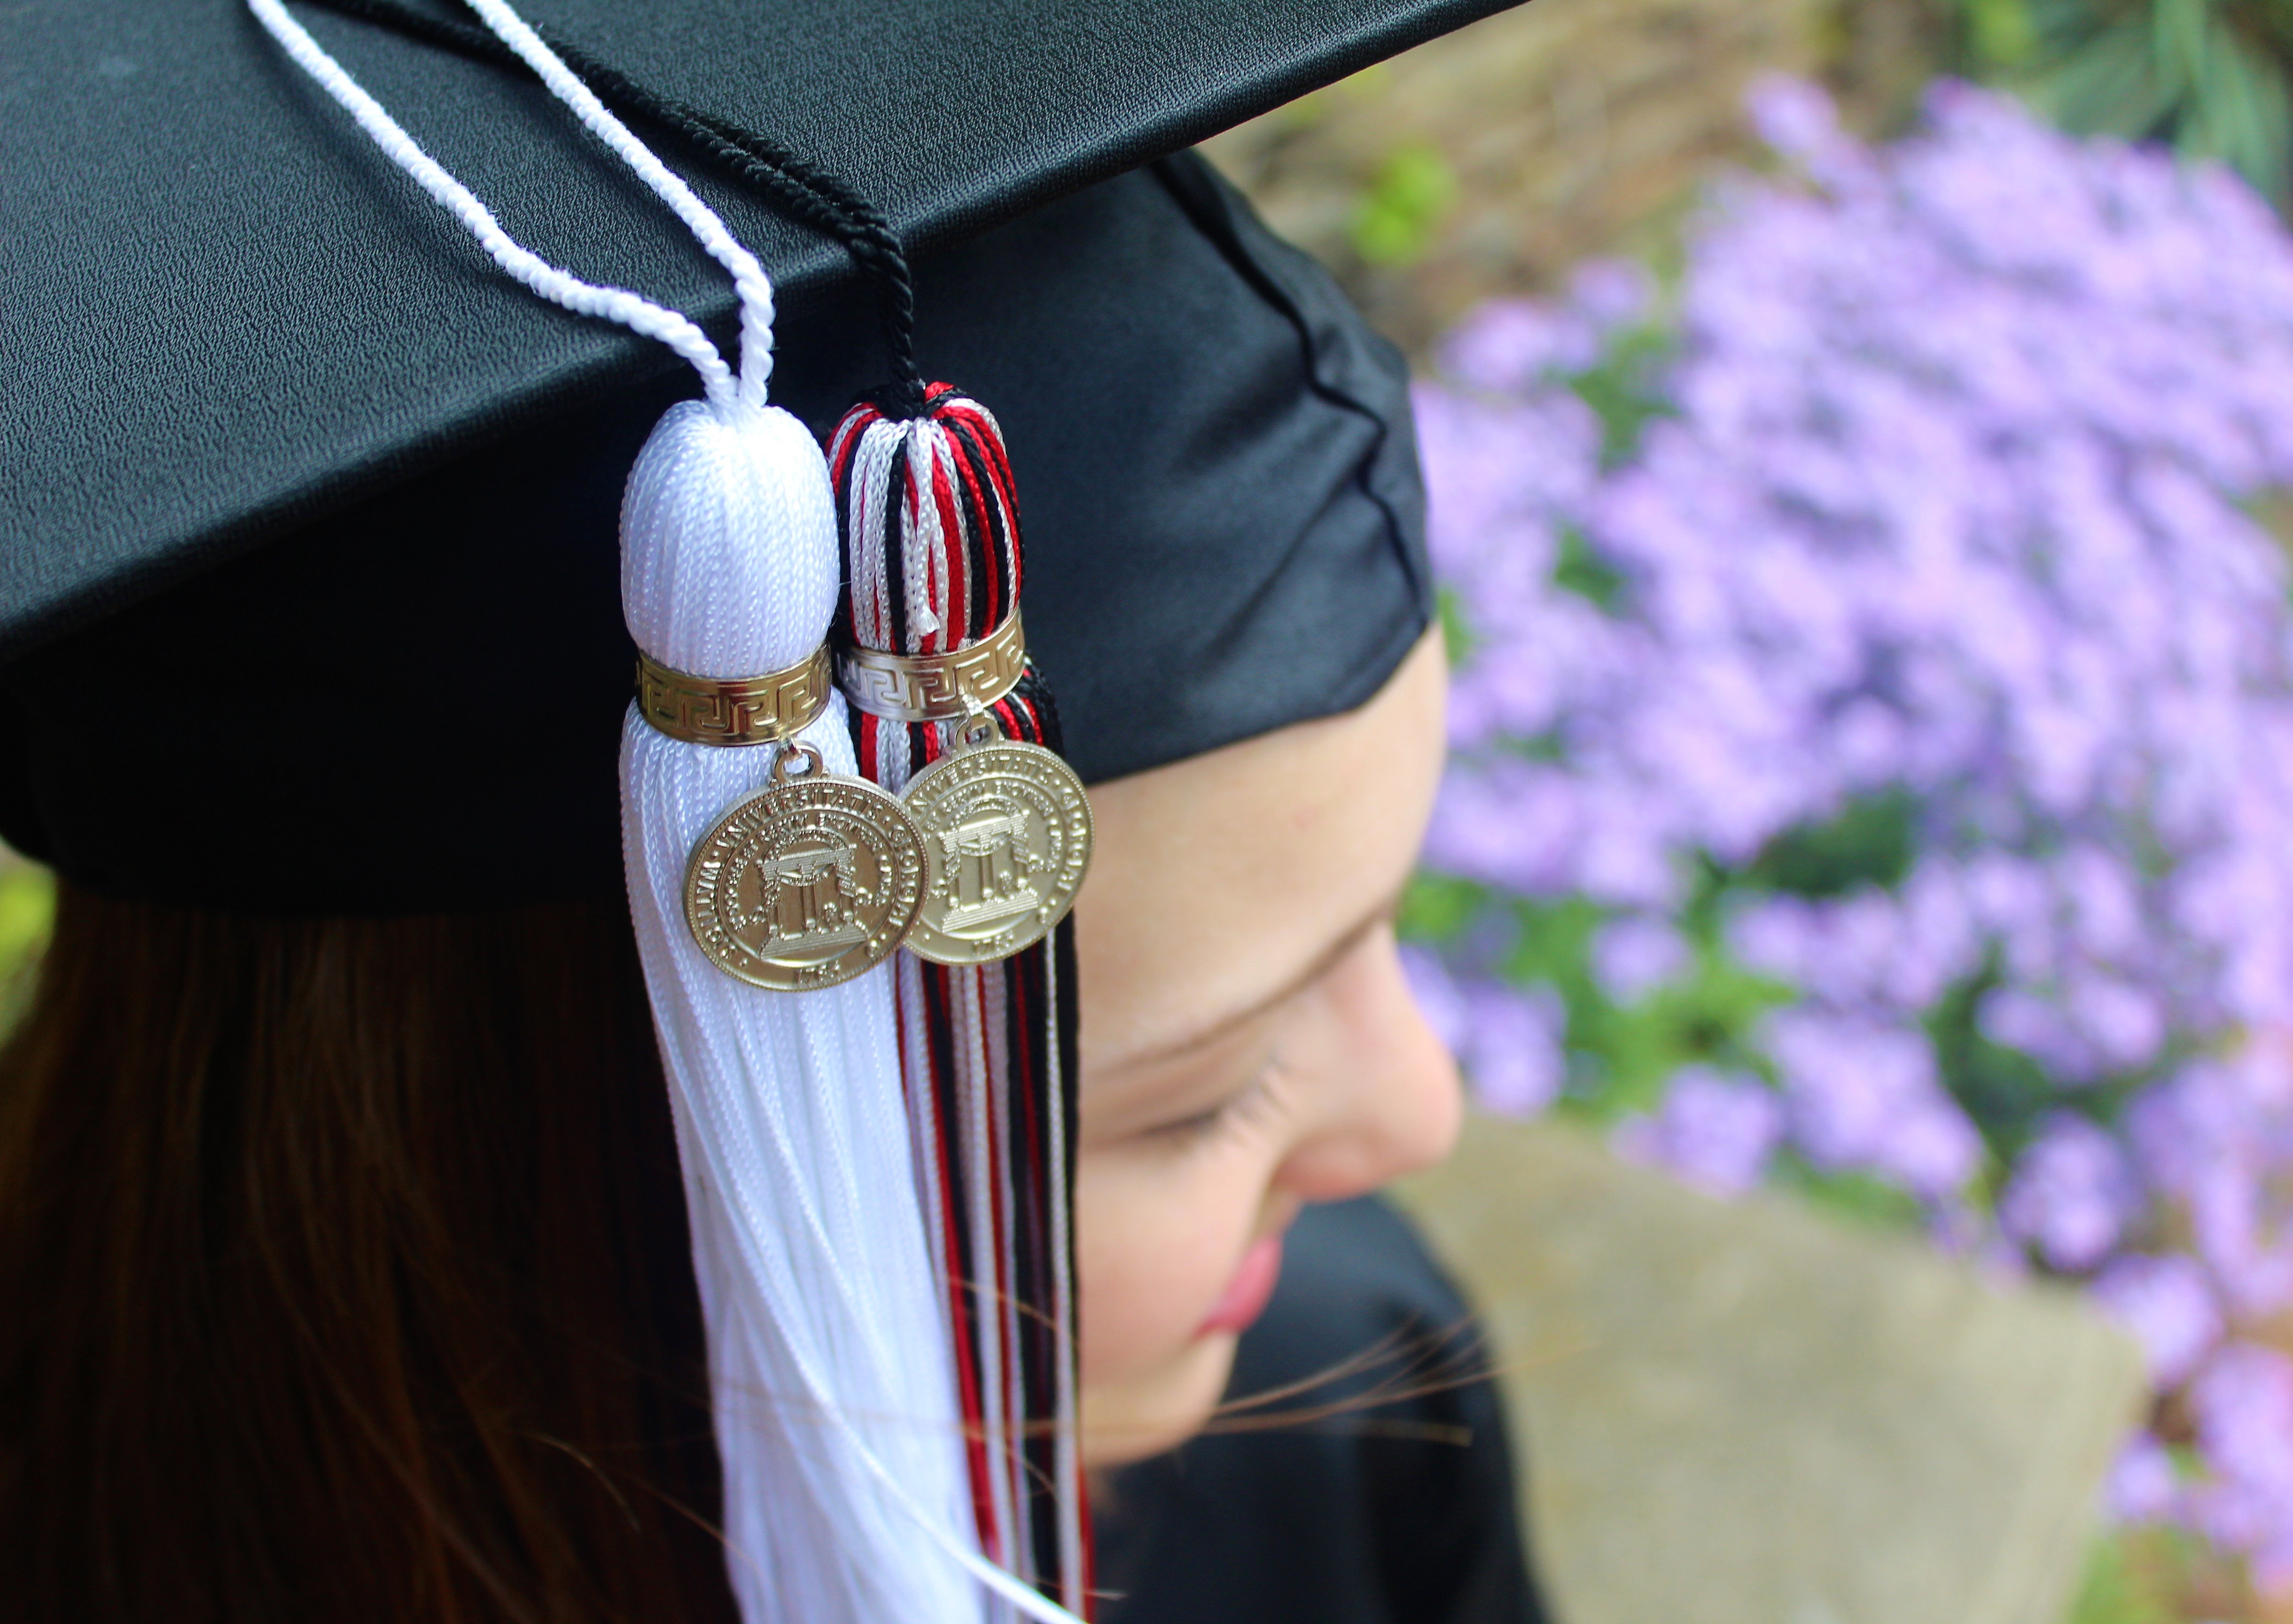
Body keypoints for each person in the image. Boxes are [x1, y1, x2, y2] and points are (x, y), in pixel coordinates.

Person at [0, 1, 1546, 1619]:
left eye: (1386, 937)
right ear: (542, 1180)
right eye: (1193, 1101)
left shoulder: (1343, 1400)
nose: (1419, 1117)